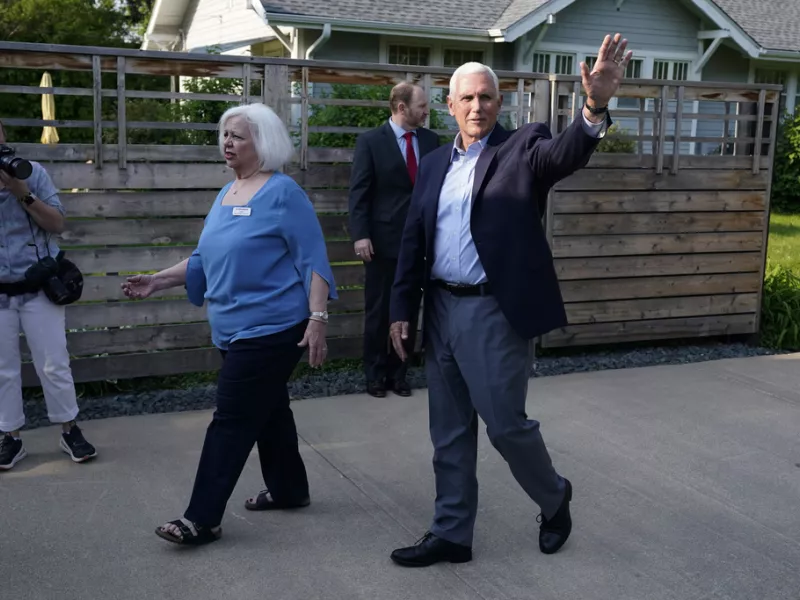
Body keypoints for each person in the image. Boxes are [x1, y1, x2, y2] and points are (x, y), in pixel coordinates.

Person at [387, 34, 633, 566]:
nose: (477, 106)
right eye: (467, 98)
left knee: (504, 425)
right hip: (441, 309)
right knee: (449, 431)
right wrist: (401, 311)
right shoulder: (433, 162)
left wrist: (594, 107)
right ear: (450, 105)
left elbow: (564, 155)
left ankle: (554, 497)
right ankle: (451, 533)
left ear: (501, 103)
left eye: (487, 97)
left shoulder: (523, 148)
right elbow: (413, 240)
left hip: (493, 311)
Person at [122, 103, 337, 546]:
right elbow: (205, 258)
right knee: (270, 411)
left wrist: (317, 318)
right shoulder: (226, 193)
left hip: (272, 328)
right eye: (225, 134)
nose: (227, 142)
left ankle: (201, 518)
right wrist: (157, 280)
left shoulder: (284, 193)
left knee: (232, 418)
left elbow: (314, 259)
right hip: (230, 328)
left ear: (263, 142)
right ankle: (289, 490)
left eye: (237, 136)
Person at [0, 119, 97, 471]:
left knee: (54, 363)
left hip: (39, 286)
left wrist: (21, 192)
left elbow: (57, 223)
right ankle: (10, 437)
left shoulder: (33, 172)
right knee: (2, 369)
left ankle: (69, 430)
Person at [348, 82, 440, 398]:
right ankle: (375, 375)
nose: (427, 111)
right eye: (422, 106)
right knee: (379, 311)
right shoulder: (371, 142)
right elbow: (359, 192)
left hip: (420, 242)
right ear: (402, 108)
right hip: (382, 242)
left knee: (409, 309)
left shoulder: (431, 141)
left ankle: (399, 374)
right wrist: (360, 235)